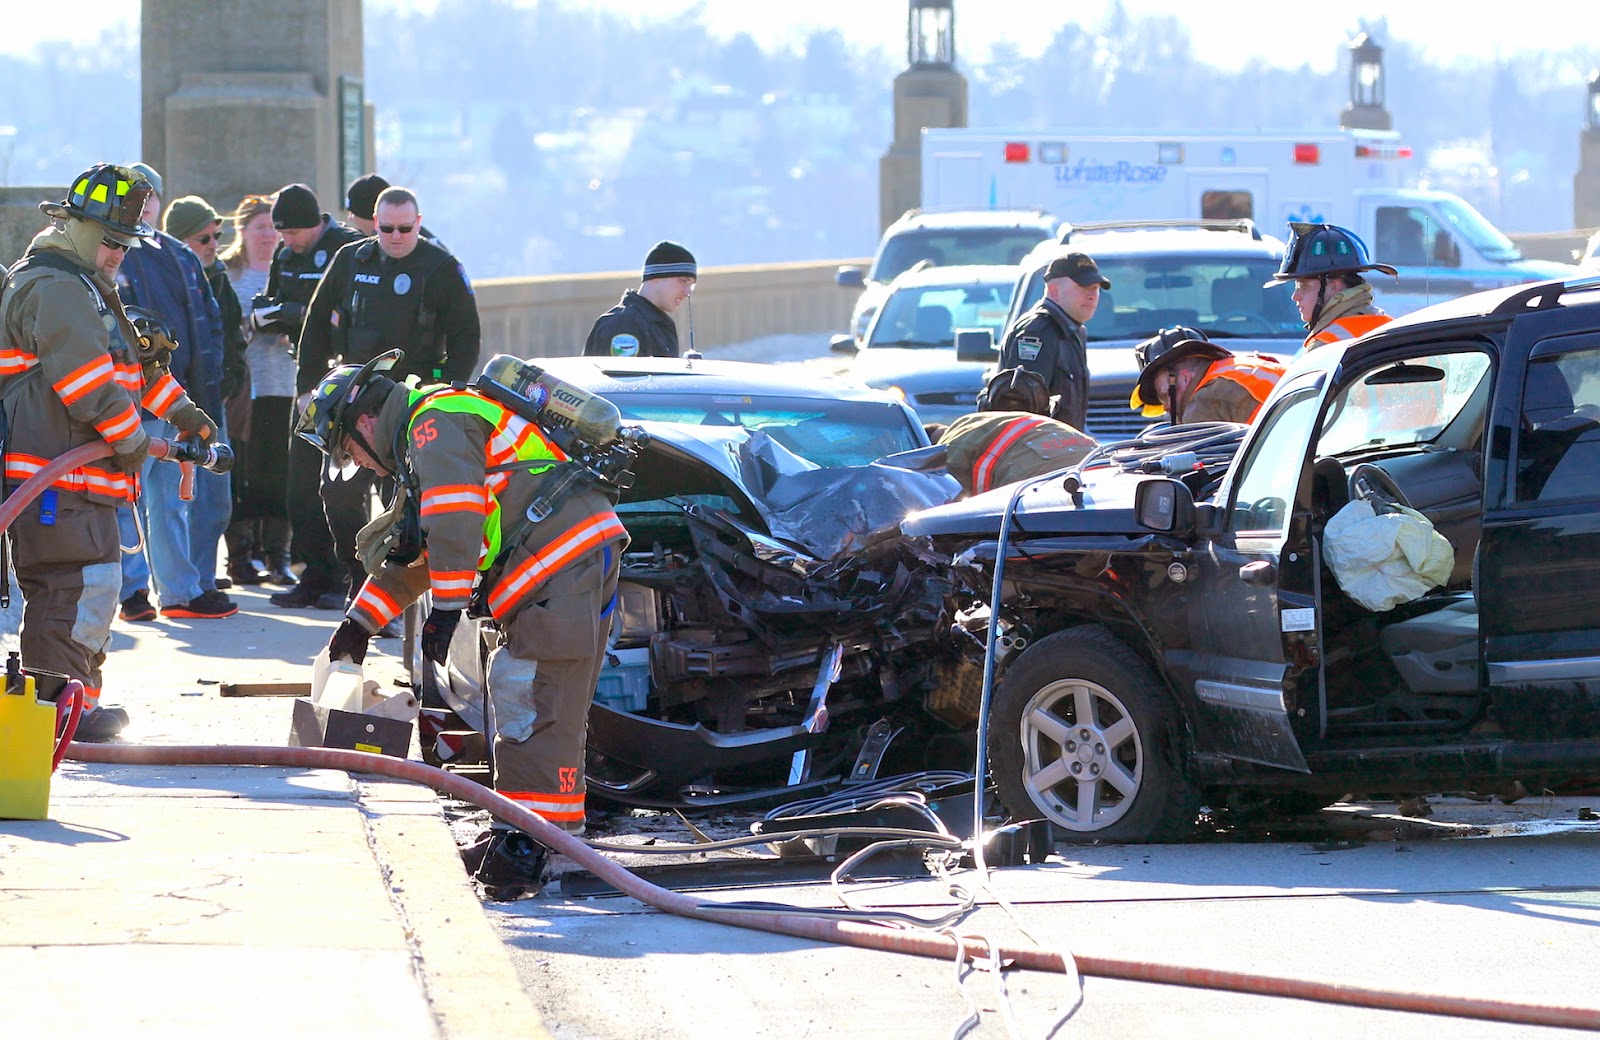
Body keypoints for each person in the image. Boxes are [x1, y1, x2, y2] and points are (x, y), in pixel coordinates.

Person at [300, 351, 627, 898]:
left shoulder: (435, 423)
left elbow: (455, 525)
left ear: (362, 423)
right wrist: (359, 625)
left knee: (528, 695)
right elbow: (418, 552)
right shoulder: (425, 437)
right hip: (559, 564)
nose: (361, 465)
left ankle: (525, 846)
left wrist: (448, 612)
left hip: (560, 564)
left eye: (351, 452)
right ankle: (534, 837)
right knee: (541, 700)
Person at [0, 164, 217, 740]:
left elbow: (132, 370)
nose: (119, 252)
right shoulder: (58, 289)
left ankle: (73, 711)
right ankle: (55, 714)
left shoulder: (88, 289)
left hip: (77, 480)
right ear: (71, 226)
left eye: (126, 242)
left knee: (89, 590)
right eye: (109, 239)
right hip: (56, 481)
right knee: (73, 590)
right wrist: (140, 443)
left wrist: (183, 413)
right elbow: (91, 388)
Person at [297, 185, 481, 613]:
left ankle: (405, 594)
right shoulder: (351, 260)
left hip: (414, 404)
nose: (395, 236)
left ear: (418, 223)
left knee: (411, 503)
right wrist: (308, 384)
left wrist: (450, 393)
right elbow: (316, 323)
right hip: (355, 404)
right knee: (339, 494)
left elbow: (466, 337)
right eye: (386, 228)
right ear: (374, 224)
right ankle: (359, 579)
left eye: (404, 228)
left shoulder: (441, 268)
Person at [114, 162, 234, 620]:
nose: (144, 203)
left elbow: (210, 326)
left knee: (171, 503)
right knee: (125, 499)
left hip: (178, 401)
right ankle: (131, 593)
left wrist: (203, 395)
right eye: (134, 195)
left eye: (150, 195)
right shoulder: (109, 251)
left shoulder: (180, 255)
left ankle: (181, 594)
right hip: (128, 400)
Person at [253, 183, 365, 610]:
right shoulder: (286, 256)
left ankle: (347, 576)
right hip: (306, 378)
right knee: (300, 486)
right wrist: (274, 314)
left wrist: (302, 314)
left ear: (315, 224)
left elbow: (347, 315)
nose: (287, 241)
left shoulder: (348, 249)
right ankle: (313, 573)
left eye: (294, 233)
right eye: (283, 234)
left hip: (346, 380)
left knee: (343, 486)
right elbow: (275, 303)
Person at [164, 195, 253, 586]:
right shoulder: (164, 279)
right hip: (171, 406)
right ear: (181, 242)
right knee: (174, 501)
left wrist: (228, 381)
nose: (214, 244)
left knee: (216, 500)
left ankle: (201, 576)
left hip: (212, 403)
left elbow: (231, 336)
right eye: (204, 238)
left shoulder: (217, 278)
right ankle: (184, 584)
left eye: (217, 235)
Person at [224, 194, 298, 586]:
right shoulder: (228, 275)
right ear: (242, 231)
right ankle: (240, 555)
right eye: (260, 227)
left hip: (284, 383)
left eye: (273, 227)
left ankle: (278, 556)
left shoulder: (290, 269)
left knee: (280, 474)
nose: (269, 235)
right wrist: (251, 322)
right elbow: (220, 329)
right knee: (243, 473)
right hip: (244, 390)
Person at [993, 251, 1108, 430]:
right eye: (1084, 287)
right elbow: (1022, 411)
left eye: (1096, 288)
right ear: (1054, 290)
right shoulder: (1037, 332)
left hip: (1062, 448)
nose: (1092, 295)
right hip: (1039, 451)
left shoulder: (1074, 331)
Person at [1265, 222, 1396, 352]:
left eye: (1304, 286)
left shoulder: (1324, 345)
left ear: (1334, 286)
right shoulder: (1392, 327)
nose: (1295, 296)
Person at [1129, 326, 1287, 426]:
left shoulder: (1205, 402)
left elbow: (1198, 468)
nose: (1165, 408)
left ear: (1185, 378)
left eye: (1165, 396)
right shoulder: (1240, 368)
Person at [583, 241, 696, 357]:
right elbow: (623, 374)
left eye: (691, 285)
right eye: (683, 281)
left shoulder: (661, 325)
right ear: (656, 277)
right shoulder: (625, 324)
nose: (688, 292)